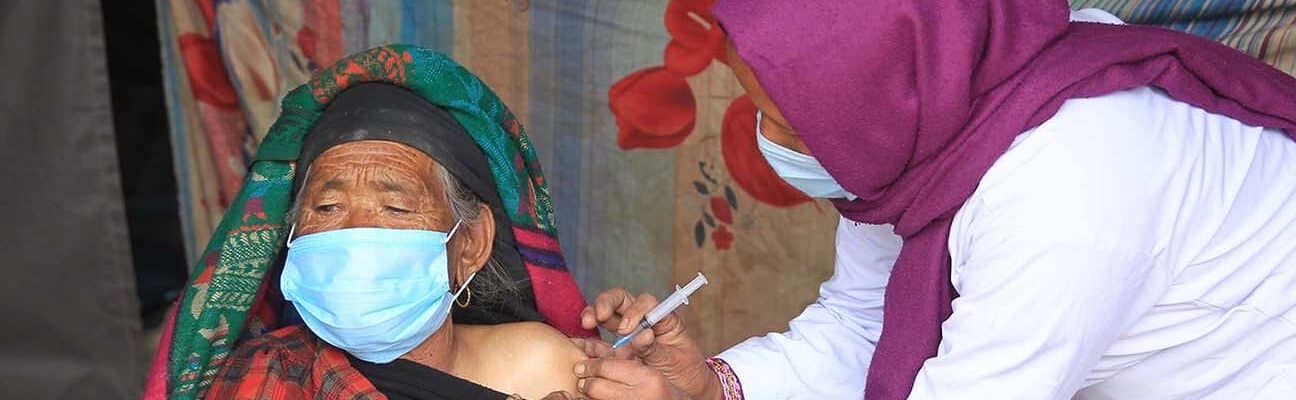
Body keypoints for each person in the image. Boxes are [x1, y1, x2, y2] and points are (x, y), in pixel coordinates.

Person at [571, 2, 1296, 399]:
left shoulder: (1066, 192)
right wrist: (715, 392)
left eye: (790, 123)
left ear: (876, 98)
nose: (768, 139)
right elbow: (865, 324)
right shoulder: (933, 126)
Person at [148, 45, 593, 400]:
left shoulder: (542, 368)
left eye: (395, 209)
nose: (355, 233)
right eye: (326, 208)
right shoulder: (259, 382)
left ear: (471, 243)